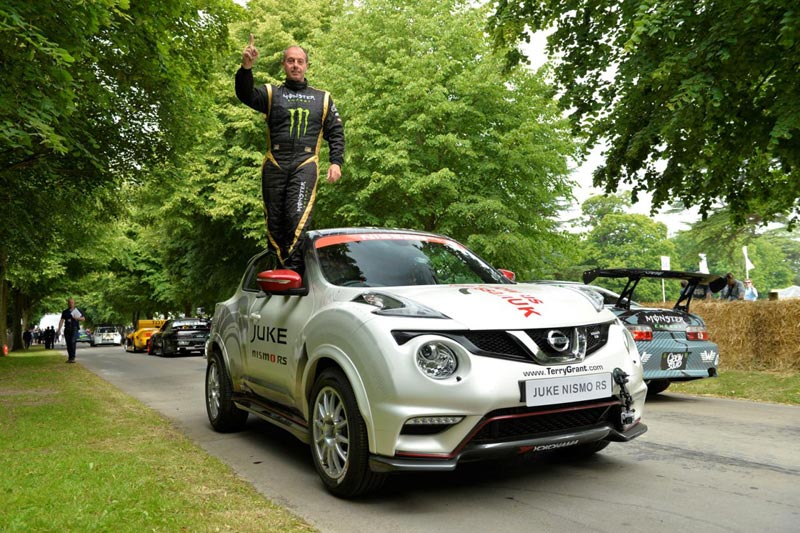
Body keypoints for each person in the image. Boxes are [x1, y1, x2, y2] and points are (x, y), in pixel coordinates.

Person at [235, 35, 345, 274]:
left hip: (305, 164)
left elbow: (336, 132)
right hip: (275, 164)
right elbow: (245, 95)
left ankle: (294, 274)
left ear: (306, 66)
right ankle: (278, 274)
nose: (296, 65)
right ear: (284, 65)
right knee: (275, 223)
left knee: (296, 218)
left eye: (300, 61)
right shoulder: (272, 93)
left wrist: (336, 162)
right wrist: (246, 67)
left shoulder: (322, 98)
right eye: (291, 61)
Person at [57, 298, 85, 363]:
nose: (71, 304)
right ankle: (70, 358)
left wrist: (77, 318)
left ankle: (73, 357)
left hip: (74, 328)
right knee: (68, 343)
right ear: (68, 303)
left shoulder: (77, 310)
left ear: (74, 303)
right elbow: (61, 321)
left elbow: (83, 319)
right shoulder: (65, 312)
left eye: (72, 302)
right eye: (69, 302)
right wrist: (59, 329)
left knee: (72, 342)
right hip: (67, 328)